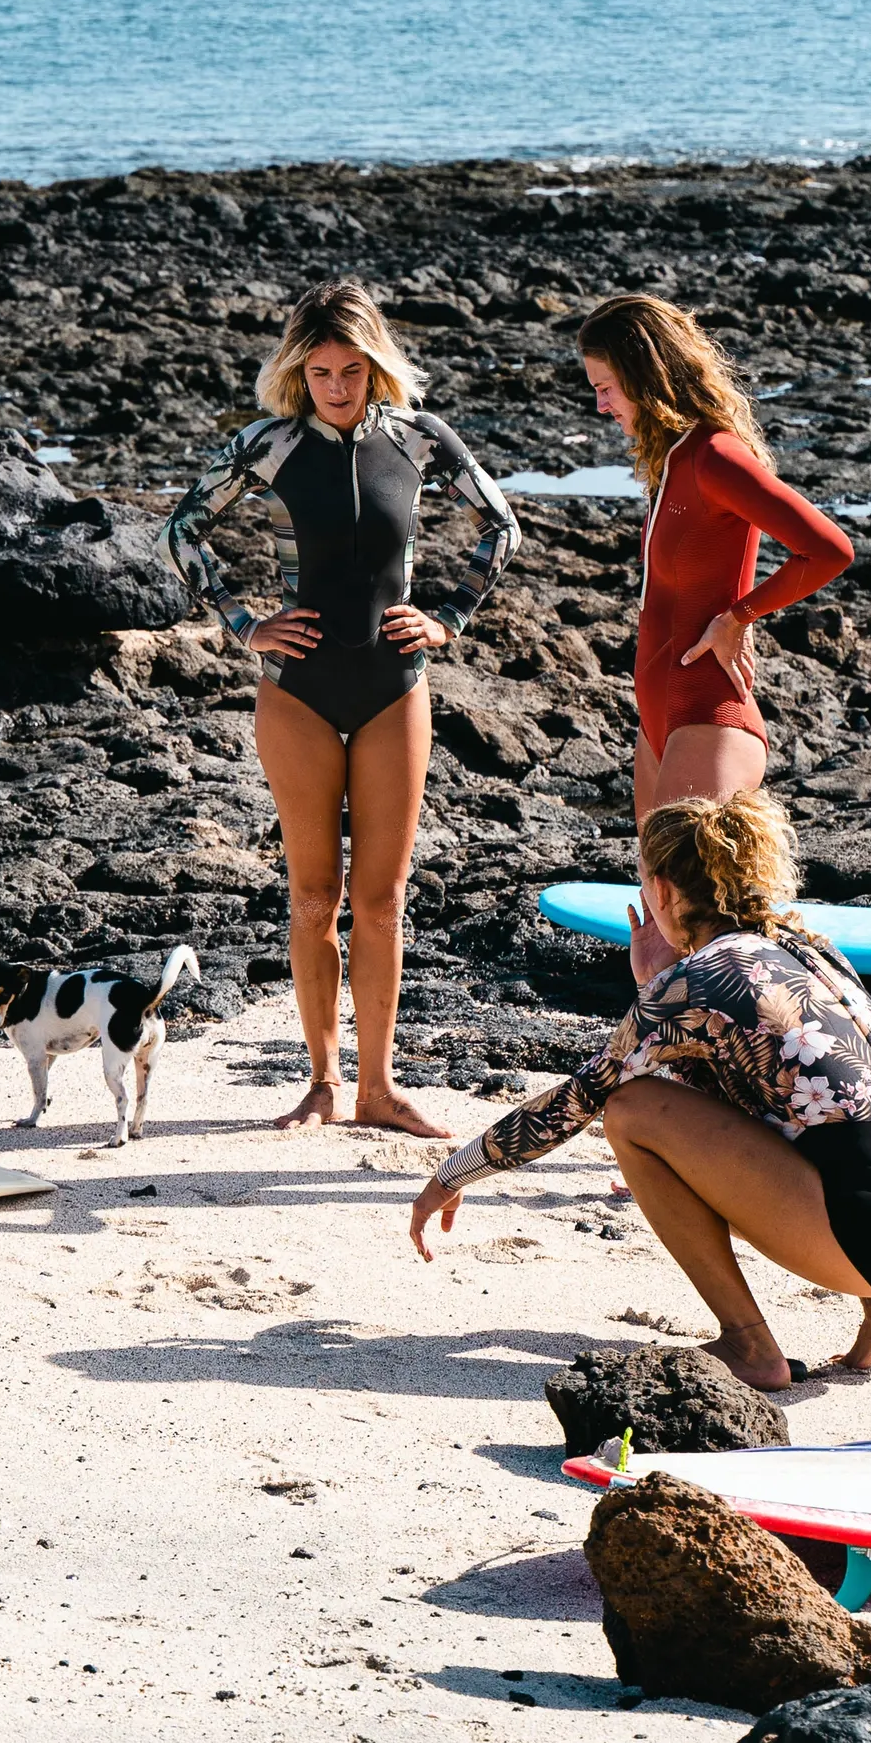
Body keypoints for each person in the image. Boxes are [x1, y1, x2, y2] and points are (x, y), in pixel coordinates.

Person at [407, 790, 871, 1389]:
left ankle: (748, 1345)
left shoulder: (697, 980)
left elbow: (580, 1101)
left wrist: (454, 1173)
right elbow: (738, 1095)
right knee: (801, 1122)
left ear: (664, 890)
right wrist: (658, 980)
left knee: (631, 1112)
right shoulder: (810, 947)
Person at [166, 279, 520, 1137]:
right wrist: (245, 624)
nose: (335, 386)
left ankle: (379, 1089)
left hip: (395, 687)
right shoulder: (269, 444)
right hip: (298, 692)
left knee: (385, 897)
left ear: (375, 365)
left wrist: (449, 617)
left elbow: (501, 526)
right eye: (320, 371)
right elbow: (182, 529)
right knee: (314, 895)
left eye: (351, 370)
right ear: (298, 369)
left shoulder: (419, 439)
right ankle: (323, 1082)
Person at [577, 292, 855, 865]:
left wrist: (739, 617)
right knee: (659, 905)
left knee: (697, 904)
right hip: (660, 718)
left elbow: (829, 550)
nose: (600, 406)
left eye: (606, 387)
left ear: (644, 375)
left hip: (707, 716)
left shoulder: (715, 457)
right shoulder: (671, 460)